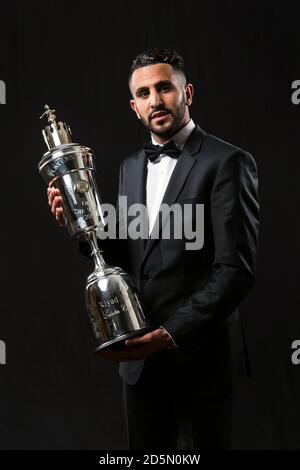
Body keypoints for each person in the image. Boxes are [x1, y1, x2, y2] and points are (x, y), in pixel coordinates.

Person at [47, 48, 259, 450]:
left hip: (203, 362)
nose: (155, 100)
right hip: (141, 367)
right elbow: (131, 254)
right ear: (134, 106)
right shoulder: (131, 166)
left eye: (165, 88)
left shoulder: (229, 161)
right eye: (144, 93)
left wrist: (168, 334)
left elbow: (236, 270)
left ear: (187, 92)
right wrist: (78, 226)